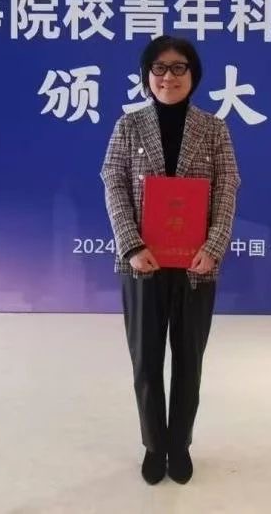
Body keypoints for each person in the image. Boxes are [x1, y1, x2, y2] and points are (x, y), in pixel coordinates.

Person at [100, 35, 240, 485]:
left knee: (188, 361)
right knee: (145, 362)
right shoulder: (128, 126)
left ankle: (179, 445)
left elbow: (227, 189)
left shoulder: (214, 128)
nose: (168, 77)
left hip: (197, 266)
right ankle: (153, 445)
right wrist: (131, 245)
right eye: (158, 68)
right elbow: (114, 184)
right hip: (142, 264)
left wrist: (213, 248)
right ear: (147, 76)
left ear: (193, 75)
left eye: (179, 67)